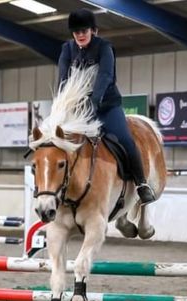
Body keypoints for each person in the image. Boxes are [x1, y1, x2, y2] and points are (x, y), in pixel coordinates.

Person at [58, 9, 156, 205]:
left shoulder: (104, 48)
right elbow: (63, 79)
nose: (80, 35)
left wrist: (94, 103)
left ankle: (141, 183)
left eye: (84, 31)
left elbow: (105, 77)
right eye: (76, 32)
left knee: (126, 139)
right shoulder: (67, 50)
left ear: (93, 30)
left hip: (106, 107)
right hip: (79, 110)